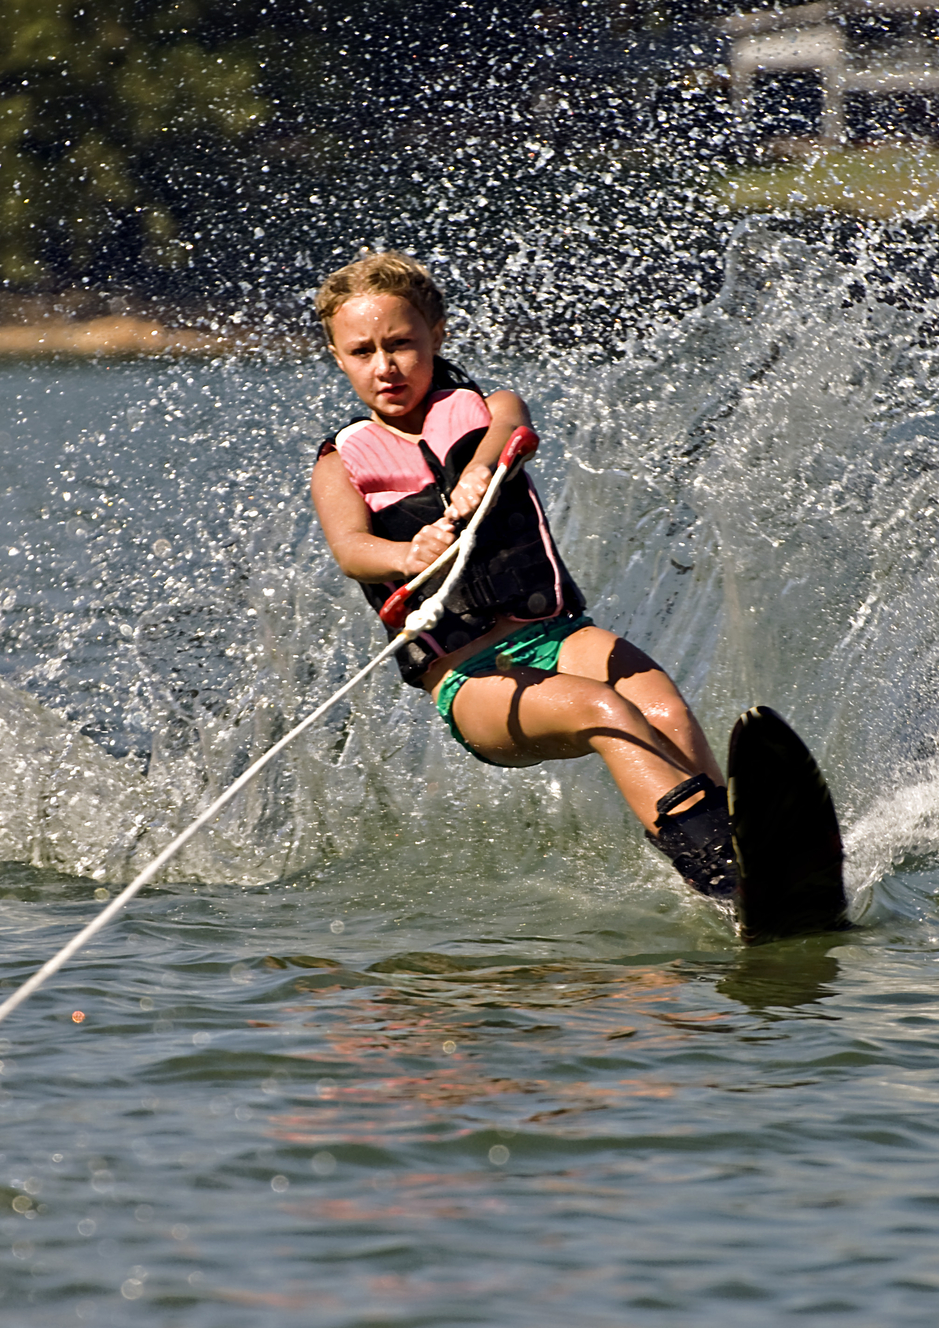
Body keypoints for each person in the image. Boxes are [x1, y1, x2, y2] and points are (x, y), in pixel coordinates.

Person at [309, 252, 736, 899]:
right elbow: (350, 548)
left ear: (436, 335)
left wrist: (481, 466)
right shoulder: (342, 463)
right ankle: (725, 880)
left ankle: (731, 849)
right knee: (604, 708)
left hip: (556, 634)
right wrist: (407, 556)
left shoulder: (485, 409)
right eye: (361, 351)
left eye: (400, 343)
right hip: (469, 676)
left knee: (663, 709)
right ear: (339, 358)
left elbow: (507, 424)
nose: (384, 365)